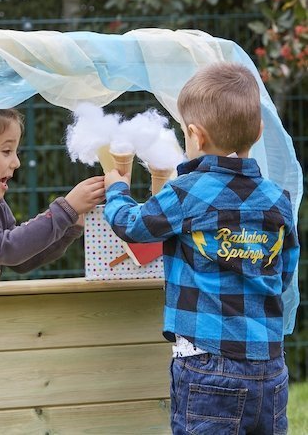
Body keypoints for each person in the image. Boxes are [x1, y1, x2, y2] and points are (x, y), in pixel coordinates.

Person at [103, 62, 299, 434]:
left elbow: (133, 226)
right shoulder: (278, 200)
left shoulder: (186, 191)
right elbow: (285, 270)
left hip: (207, 364)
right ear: (257, 132)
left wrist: (117, 188)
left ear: (195, 135)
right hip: (269, 366)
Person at [0, 108, 105, 283]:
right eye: (6, 151)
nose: (17, 163)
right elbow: (9, 249)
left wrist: (73, 222)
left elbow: (22, 261)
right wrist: (66, 210)